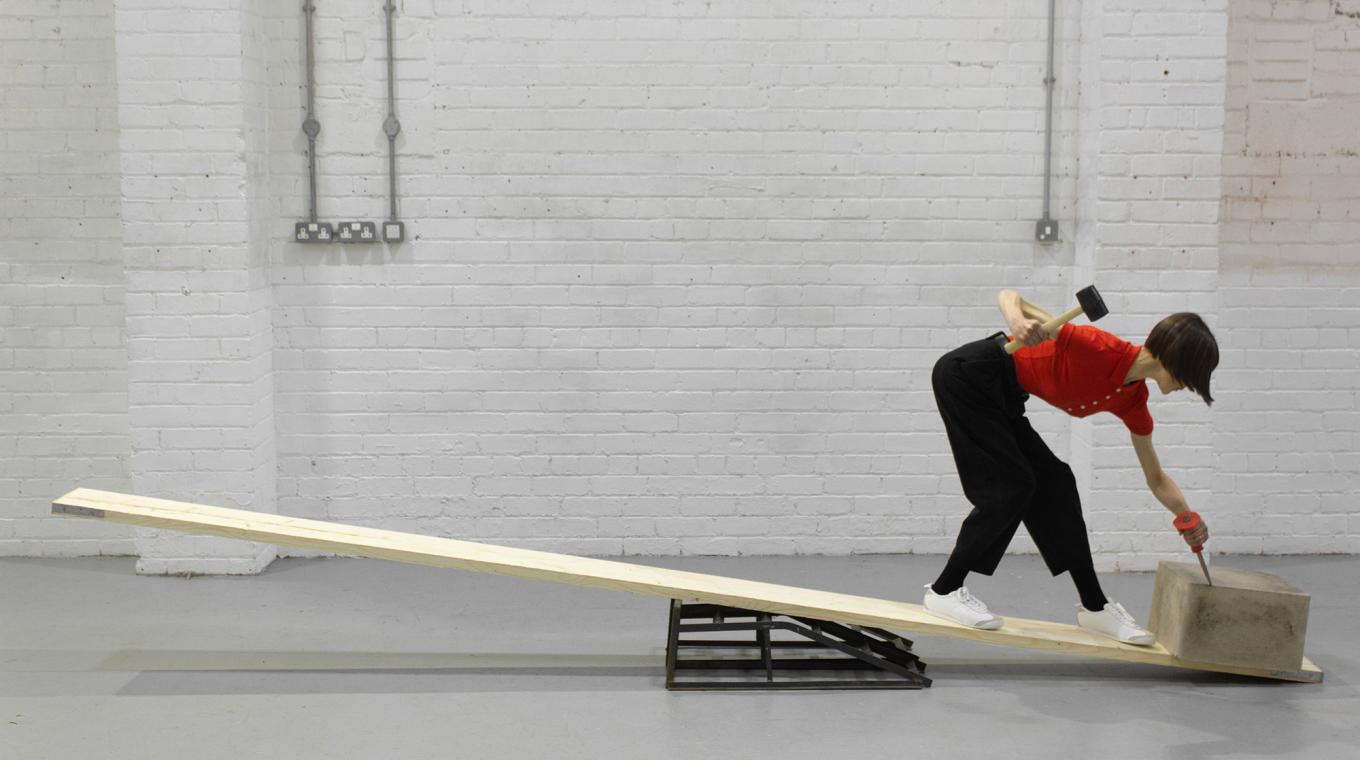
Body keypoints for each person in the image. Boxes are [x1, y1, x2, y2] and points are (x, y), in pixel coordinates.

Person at [922, 289, 1218, 645]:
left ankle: (1094, 608)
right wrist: (1017, 321)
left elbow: (1155, 478)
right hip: (969, 375)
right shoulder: (1099, 347)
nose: (1190, 386)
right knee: (1011, 487)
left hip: (1005, 396)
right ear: (1176, 360)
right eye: (1194, 375)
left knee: (1057, 483)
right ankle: (943, 590)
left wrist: (1188, 518)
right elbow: (1008, 295)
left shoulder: (1133, 399)